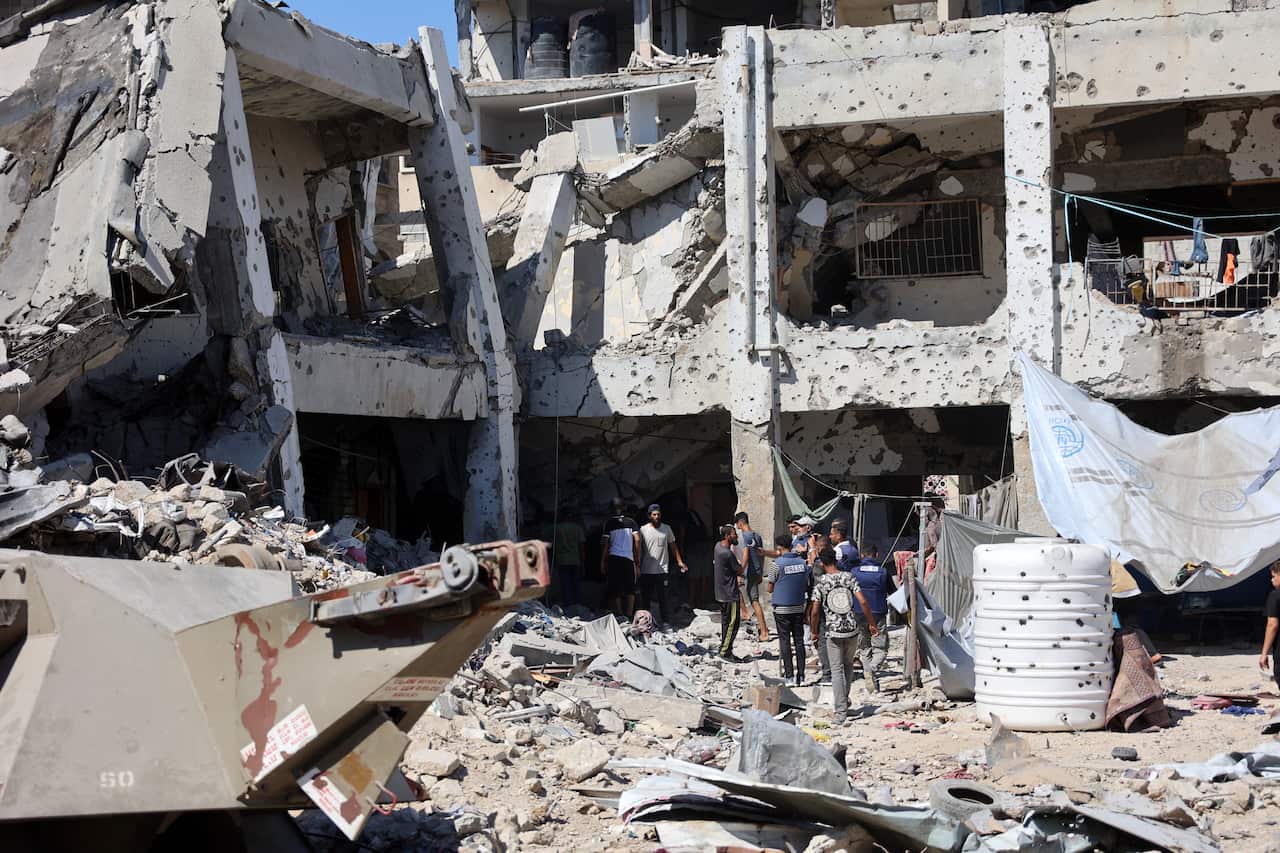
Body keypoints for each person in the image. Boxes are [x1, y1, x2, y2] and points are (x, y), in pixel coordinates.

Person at [809, 548, 880, 716]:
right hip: (852, 629)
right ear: (836, 560)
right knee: (848, 666)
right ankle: (844, 700)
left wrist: (814, 631)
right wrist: (872, 624)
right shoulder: (849, 577)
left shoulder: (821, 582)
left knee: (836, 670)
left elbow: (815, 610)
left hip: (833, 631)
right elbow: (863, 602)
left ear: (822, 563)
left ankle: (840, 711)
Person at [767, 533, 810, 685]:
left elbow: (770, 588)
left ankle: (789, 677)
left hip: (782, 609)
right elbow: (806, 584)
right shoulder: (803, 563)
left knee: (785, 641)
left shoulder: (776, 564)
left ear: (779, 547)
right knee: (799, 641)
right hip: (798, 607)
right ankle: (801, 676)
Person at [639, 503, 687, 629]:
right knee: (646, 598)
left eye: (658, 514)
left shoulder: (666, 529)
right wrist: (637, 564)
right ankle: (646, 623)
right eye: (654, 515)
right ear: (649, 516)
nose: (656, 517)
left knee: (663, 598)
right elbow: (637, 548)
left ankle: (665, 622)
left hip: (662, 570)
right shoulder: (643, 530)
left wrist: (680, 561)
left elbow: (673, 546)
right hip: (646, 570)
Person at [852, 543, 890, 673]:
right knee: (880, 647)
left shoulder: (854, 572)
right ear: (876, 555)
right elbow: (892, 592)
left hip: (859, 612)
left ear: (862, 555)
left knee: (864, 646)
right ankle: (872, 669)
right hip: (878, 612)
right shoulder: (883, 572)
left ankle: (868, 672)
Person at [600, 499, 641, 620]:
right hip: (628, 559)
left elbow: (605, 544)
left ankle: (620, 613)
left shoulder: (609, 523)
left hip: (614, 558)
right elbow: (638, 540)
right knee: (630, 588)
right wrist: (637, 558)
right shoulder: (632, 522)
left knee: (615, 587)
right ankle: (629, 614)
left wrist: (602, 561)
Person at [734, 511, 770, 643]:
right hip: (756, 571)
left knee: (754, 601)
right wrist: (760, 571)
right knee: (747, 596)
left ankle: (764, 631)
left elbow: (744, 556)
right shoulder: (757, 536)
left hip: (748, 571)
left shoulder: (743, 537)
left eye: (737, 524)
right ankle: (747, 615)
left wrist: (740, 572)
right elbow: (762, 554)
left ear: (740, 523)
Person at [714, 523, 746, 662]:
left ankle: (726, 649)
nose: (736, 536)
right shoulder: (727, 554)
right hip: (729, 594)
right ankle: (725, 652)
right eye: (734, 534)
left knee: (726, 623)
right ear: (727, 536)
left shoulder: (718, 547)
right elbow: (740, 570)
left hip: (721, 592)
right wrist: (746, 556)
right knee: (733, 624)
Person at [805, 532, 831, 683]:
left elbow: (814, 590)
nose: (819, 549)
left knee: (821, 640)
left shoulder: (819, 566)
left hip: (821, 608)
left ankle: (827, 674)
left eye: (820, 547)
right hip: (836, 609)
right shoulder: (838, 566)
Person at [552, 515, 586, 607]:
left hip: (562, 559)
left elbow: (551, 544)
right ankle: (577, 604)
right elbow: (582, 546)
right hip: (575, 560)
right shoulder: (577, 528)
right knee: (576, 584)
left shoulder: (557, 528)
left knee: (565, 584)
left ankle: (568, 604)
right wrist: (583, 561)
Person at [1260, 562, 1280, 691]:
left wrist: (1264, 653)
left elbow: (1272, 624)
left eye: (1274, 576)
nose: (1271, 580)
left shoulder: (1275, 596)